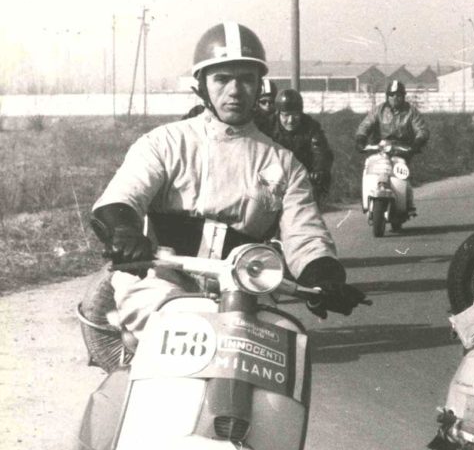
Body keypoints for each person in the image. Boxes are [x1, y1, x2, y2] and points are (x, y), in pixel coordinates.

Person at [91, 21, 367, 336]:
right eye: (222, 79)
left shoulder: (284, 163)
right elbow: (123, 195)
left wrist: (324, 277)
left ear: (259, 86)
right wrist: (124, 231)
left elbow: (304, 234)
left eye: (246, 79)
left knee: (282, 342)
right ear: (201, 85)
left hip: (244, 289)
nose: (235, 91)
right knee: (174, 328)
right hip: (160, 280)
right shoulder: (164, 142)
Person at [270, 88, 334, 202]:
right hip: (275, 177)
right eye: (286, 115)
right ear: (278, 113)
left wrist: (318, 170)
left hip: (303, 177)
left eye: (295, 115)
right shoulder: (268, 127)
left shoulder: (311, 127)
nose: (290, 120)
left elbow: (321, 151)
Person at [354, 80, 429, 155]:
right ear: (387, 97)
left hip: (403, 150)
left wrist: (418, 143)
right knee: (373, 162)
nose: (395, 97)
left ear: (403, 96)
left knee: (403, 163)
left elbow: (421, 129)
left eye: (398, 95)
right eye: (392, 94)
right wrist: (361, 139)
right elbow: (365, 125)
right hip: (380, 149)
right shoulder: (379, 110)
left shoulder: (411, 111)